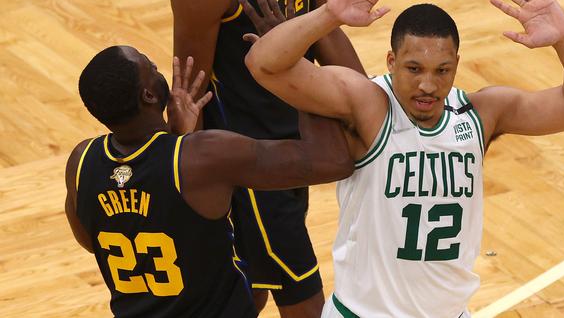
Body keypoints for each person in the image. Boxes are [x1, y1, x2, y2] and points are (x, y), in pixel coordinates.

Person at [245, 0, 564, 317]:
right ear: (392, 62)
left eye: (442, 71)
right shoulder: (370, 105)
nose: (427, 86)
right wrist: (329, 14)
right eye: (414, 68)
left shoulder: (478, 114)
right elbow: (264, 64)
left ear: (456, 66)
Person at [64, 45, 353, 318]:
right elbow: (332, 161)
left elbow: (93, 241)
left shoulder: (81, 162)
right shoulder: (204, 157)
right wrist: (295, 68)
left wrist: (174, 138)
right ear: (149, 96)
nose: (155, 65)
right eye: (149, 66)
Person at [170, 0, 365, 315]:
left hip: (303, 141)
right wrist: (184, 185)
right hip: (248, 162)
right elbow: (189, 88)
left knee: (251, 285)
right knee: (302, 297)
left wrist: (374, 110)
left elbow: (324, 24)